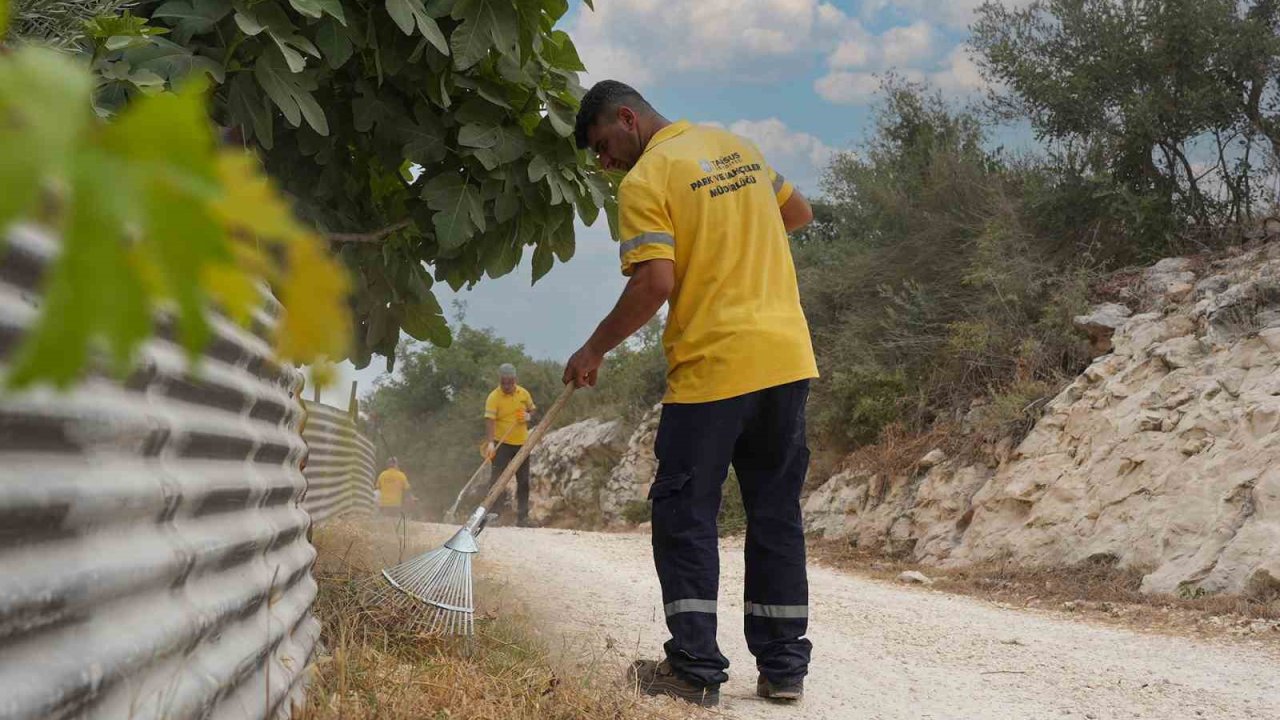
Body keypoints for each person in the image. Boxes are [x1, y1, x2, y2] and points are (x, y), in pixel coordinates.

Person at [564, 81, 817, 708]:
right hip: (785, 359)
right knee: (775, 514)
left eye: (603, 145)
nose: (605, 162)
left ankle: (696, 670)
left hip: (714, 368)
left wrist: (594, 348)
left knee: (685, 517)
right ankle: (784, 668)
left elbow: (654, 283)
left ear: (627, 118)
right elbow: (798, 213)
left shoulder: (648, 179)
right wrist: (738, 242)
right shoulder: (738, 149)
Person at [482, 363, 537, 527]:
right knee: (497, 479)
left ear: (515, 380)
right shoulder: (494, 397)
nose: (506, 385)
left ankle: (523, 518)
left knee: (524, 480)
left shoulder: (523, 393)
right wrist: (491, 442)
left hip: (521, 444)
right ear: (500, 380)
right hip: (501, 443)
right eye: (503, 382)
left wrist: (528, 416)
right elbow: (489, 420)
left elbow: (533, 410)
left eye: (509, 382)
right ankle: (494, 514)